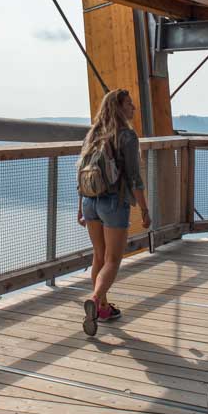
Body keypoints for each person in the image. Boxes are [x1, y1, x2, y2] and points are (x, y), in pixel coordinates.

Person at [77, 89, 150, 336]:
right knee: (113, 260)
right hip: (113, 203)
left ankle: (104, 309)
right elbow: (134, 178)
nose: (133, 109)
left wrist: (80, 207)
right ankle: (96, 300)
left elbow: (81, 172)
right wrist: (144, 209)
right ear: (119, 108)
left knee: (98, 256)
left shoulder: (93, 134)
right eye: (129, 104)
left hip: (89, 200)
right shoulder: (126, 136)